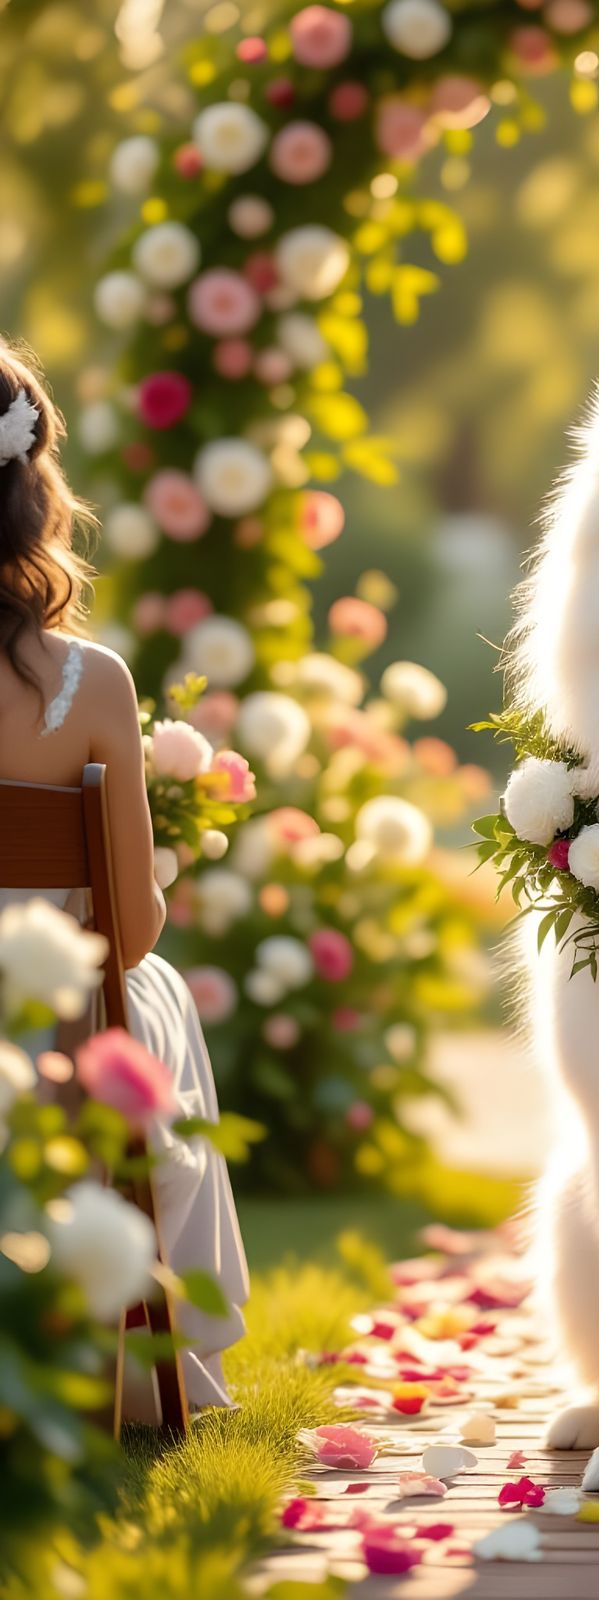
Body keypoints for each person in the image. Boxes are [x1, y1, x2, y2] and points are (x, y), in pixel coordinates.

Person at [0, 337, 248, 1415]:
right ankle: (129, 1366)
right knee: (147, 991)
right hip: (52, 1035)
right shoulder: (89, 683)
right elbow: (132, 930)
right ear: (33, 487)